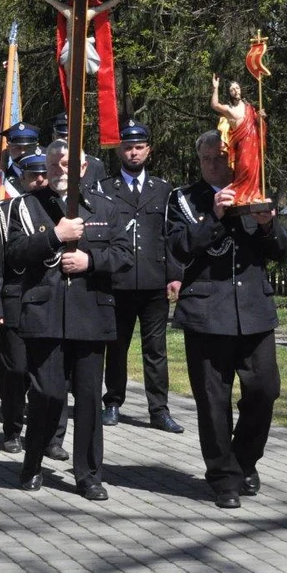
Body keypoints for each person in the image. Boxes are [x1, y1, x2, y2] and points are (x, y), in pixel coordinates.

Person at [166, 130, 287, 509]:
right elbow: (179, 247)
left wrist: (268, 224)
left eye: (220, 158)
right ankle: (223, 477)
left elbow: (282, 251)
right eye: (206, 159)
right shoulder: (184, 200)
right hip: (206, 312)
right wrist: (215, 216)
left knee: (265, 390)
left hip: (253, 311)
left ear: (234, 158)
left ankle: (244, 460)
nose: (214, 165)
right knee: (212, 399)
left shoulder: (253, 189)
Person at [6, 139, 132, 500]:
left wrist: (90, 261)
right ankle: (33, 461)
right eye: (55, 163)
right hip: (45, 313)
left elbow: (124, 253)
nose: (62, 169)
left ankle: (88, 474)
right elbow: (13, 253)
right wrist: (55, 237)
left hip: (91, 313)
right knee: (47, 393)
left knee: (90, 397)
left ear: (83, 168)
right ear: (45, 168)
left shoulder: (105, 206)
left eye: (68, 163)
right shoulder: (28, 207)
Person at [0, 147, 68, 458]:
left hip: (55, 301)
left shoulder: (64, 210)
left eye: (44, 174)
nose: (40, 180)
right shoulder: (5, 212)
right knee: (15, 372)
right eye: (33, 175)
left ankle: (53, 439)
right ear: (22, 177)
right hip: (16, 302)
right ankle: (13, 429)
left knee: (56, 376)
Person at [100, 121, 184, 432]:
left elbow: (171, 236)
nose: (133, 152)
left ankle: (159, 410)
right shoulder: (106, 190)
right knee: (116, 346)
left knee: (156, 349)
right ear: (119, 149)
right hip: (118, 281)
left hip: (153, 281)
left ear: (148, 149)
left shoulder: (163, 190)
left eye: (138, 147)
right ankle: (112, 402)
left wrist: (175, 275)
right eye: (127, 147)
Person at [210, 74, 266, 206]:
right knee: (244, 166)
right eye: (232, 89)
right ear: (229, 93)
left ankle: (253, 194)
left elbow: (257, 125)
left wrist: (260, 118)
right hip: (241, 144)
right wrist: (215, 88)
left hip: (253, 142)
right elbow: (214, 105)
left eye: (237, 88)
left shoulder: (250, 108)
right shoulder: (229, 109)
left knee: (253, 169)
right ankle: (241, 194)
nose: (236, 91)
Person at [50, 113, 108, 187]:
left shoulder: (94, 166)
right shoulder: (45, 163)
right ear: (53, 137)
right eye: (62, 136)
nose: (66, 139)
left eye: (71, 135)